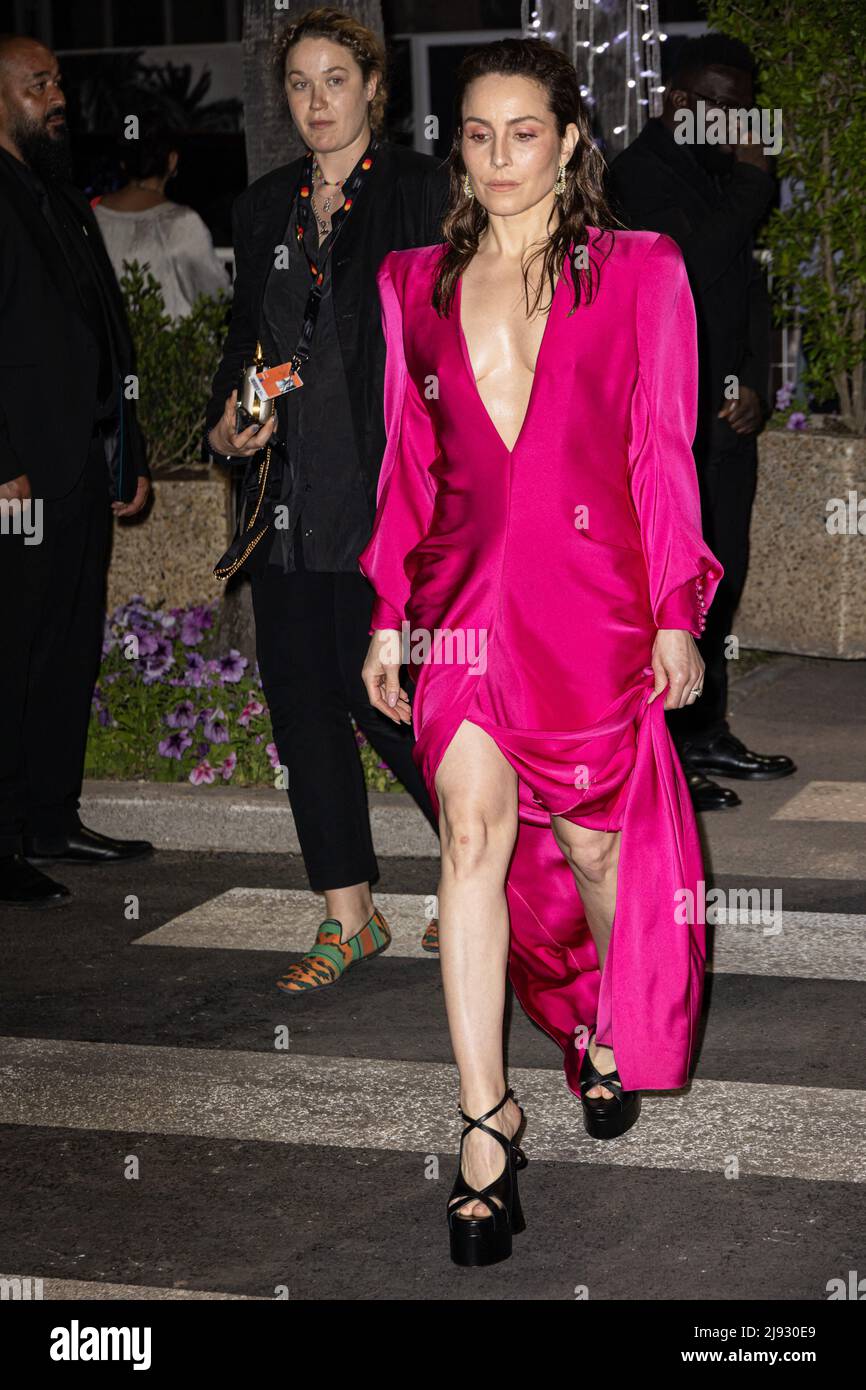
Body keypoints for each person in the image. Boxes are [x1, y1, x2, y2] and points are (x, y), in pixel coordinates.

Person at [359, 37, 723, 1267]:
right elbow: (406, 469)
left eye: (524, 131)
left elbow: (660, 449)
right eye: (476, 133)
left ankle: (609, 1018)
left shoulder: (639, 270)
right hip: (457, 600)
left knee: (589, 847)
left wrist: (676, 607)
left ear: (569, 137)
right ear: (453, 144)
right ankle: (482, 1123)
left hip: (590, 603)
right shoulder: (410, 281)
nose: (501, 156)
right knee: (468, 836)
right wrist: (381, 614)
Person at [204, 7, 449, 986]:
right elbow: (245, 348)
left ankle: (486, 872)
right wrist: (229, 424)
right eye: (299, 84)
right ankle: (346, 913)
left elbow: (453, 346)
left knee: (393, 703)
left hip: (385, 490)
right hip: (284, 488)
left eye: (334, 80)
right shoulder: (264, 207)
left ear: (372, 87)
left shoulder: (419, 194)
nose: (316, 101)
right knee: (303, 706)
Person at [607, 33, 795, 813]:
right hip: (661, 422)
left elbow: (744, 292)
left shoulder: (718, 170)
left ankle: (706, 728)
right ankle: (663, 752)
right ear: (676, 103)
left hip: (723, 419)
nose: (737, 124)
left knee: (726, 576)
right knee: (671, 592)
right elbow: (686, 263)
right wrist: (754, 191)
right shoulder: (633, 176)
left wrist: (755, 383)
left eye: (745, 109)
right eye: (719, 107)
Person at [0, 35, 153, 910]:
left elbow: (105, 330)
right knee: (11, 648)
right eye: (37, 84)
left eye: (58, 80)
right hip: (16, 478)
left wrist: (122, 447)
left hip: (79, 467)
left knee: (66, 643)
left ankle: (53, 817)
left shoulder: (59, 192)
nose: (57, 94)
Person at [94, 124, 230, 320]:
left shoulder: (94, 217)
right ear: (172, 160)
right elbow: (214, 292)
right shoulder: (181, 223)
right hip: (173, 346)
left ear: (123, 162)